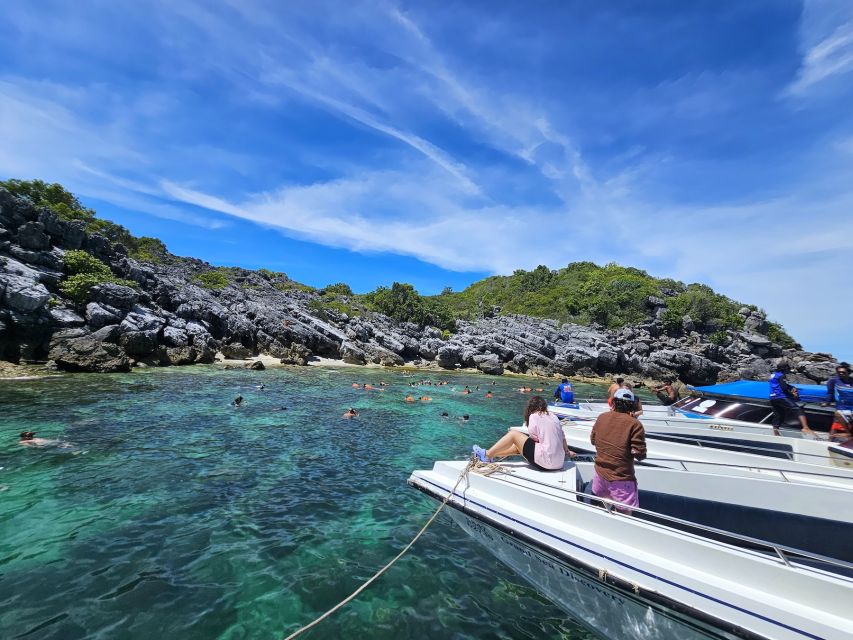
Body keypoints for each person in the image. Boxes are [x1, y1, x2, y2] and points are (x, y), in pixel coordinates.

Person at [472, 396, 571, 470]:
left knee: (513, 434)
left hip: (545, 463)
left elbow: (533, 437)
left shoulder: (534, 415)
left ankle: (487, 454)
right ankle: (492, 455)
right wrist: (567, 451)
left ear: (531, 407)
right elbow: (563, 438)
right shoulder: (554, 416)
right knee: (519, 446)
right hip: (559, 463)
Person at [589, 389, 646, 512]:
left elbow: (593, 440)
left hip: (600, 475)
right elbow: (640, 454)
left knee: (601, 509)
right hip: (621, 479)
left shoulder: (602, 417)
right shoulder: (635, 424)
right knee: (624, 514)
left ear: (614, 402)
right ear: (632, 405)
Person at [769, 363, 814, 435]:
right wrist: (792, 395)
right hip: (780, 396)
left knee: (778, 414)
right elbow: (783, 388)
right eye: (788, 369)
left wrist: (791, 387)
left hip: (772, 397)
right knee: (797, 409)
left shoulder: (773, 375)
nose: (788, 370)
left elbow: (778, 384)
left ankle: (776, 433)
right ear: (784, 369)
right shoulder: (781, 375)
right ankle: (805, 428)